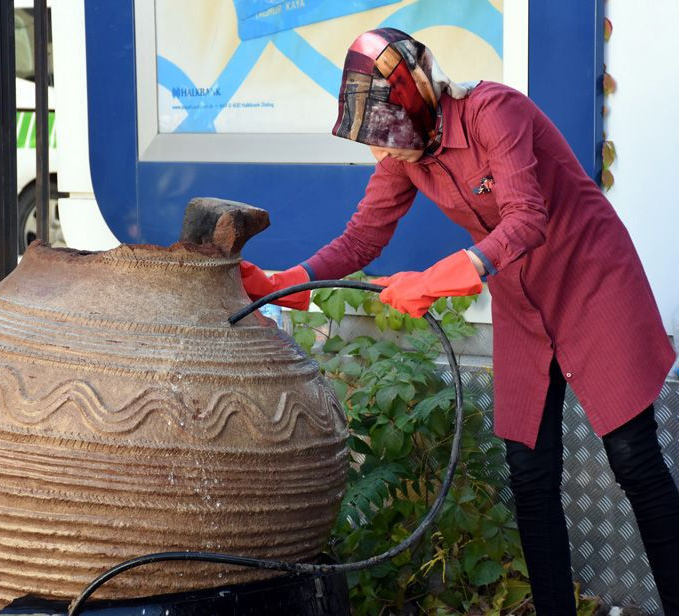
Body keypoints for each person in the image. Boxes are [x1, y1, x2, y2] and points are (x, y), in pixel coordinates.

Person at [240, 28, 679, 615]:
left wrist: (436, 280)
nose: (382, 153)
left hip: (592, 276)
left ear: (415, 103)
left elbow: (527, 219)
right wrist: (281, 282)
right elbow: (363, 236)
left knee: (633, 458)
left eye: (384, 137)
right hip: (522, 298)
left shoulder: (494, 111)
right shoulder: (408, 152)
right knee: (528, 470)